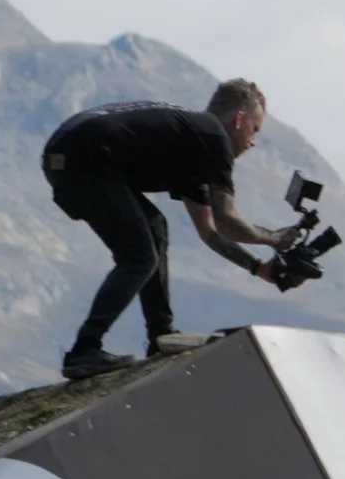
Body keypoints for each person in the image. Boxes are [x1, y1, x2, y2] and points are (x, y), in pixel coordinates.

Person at [40, 79, 300, 379]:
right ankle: (84, 351)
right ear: (238, 119)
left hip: (73, 155)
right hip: (83, 159)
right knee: (139, 257)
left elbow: (210, 232)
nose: (253, 142)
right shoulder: (214, 136)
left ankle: (161, 336)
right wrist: (274, 238)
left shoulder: (193, 140)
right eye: (255, 130)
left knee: (156, 229)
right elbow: (228, 219)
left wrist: (258, 268)